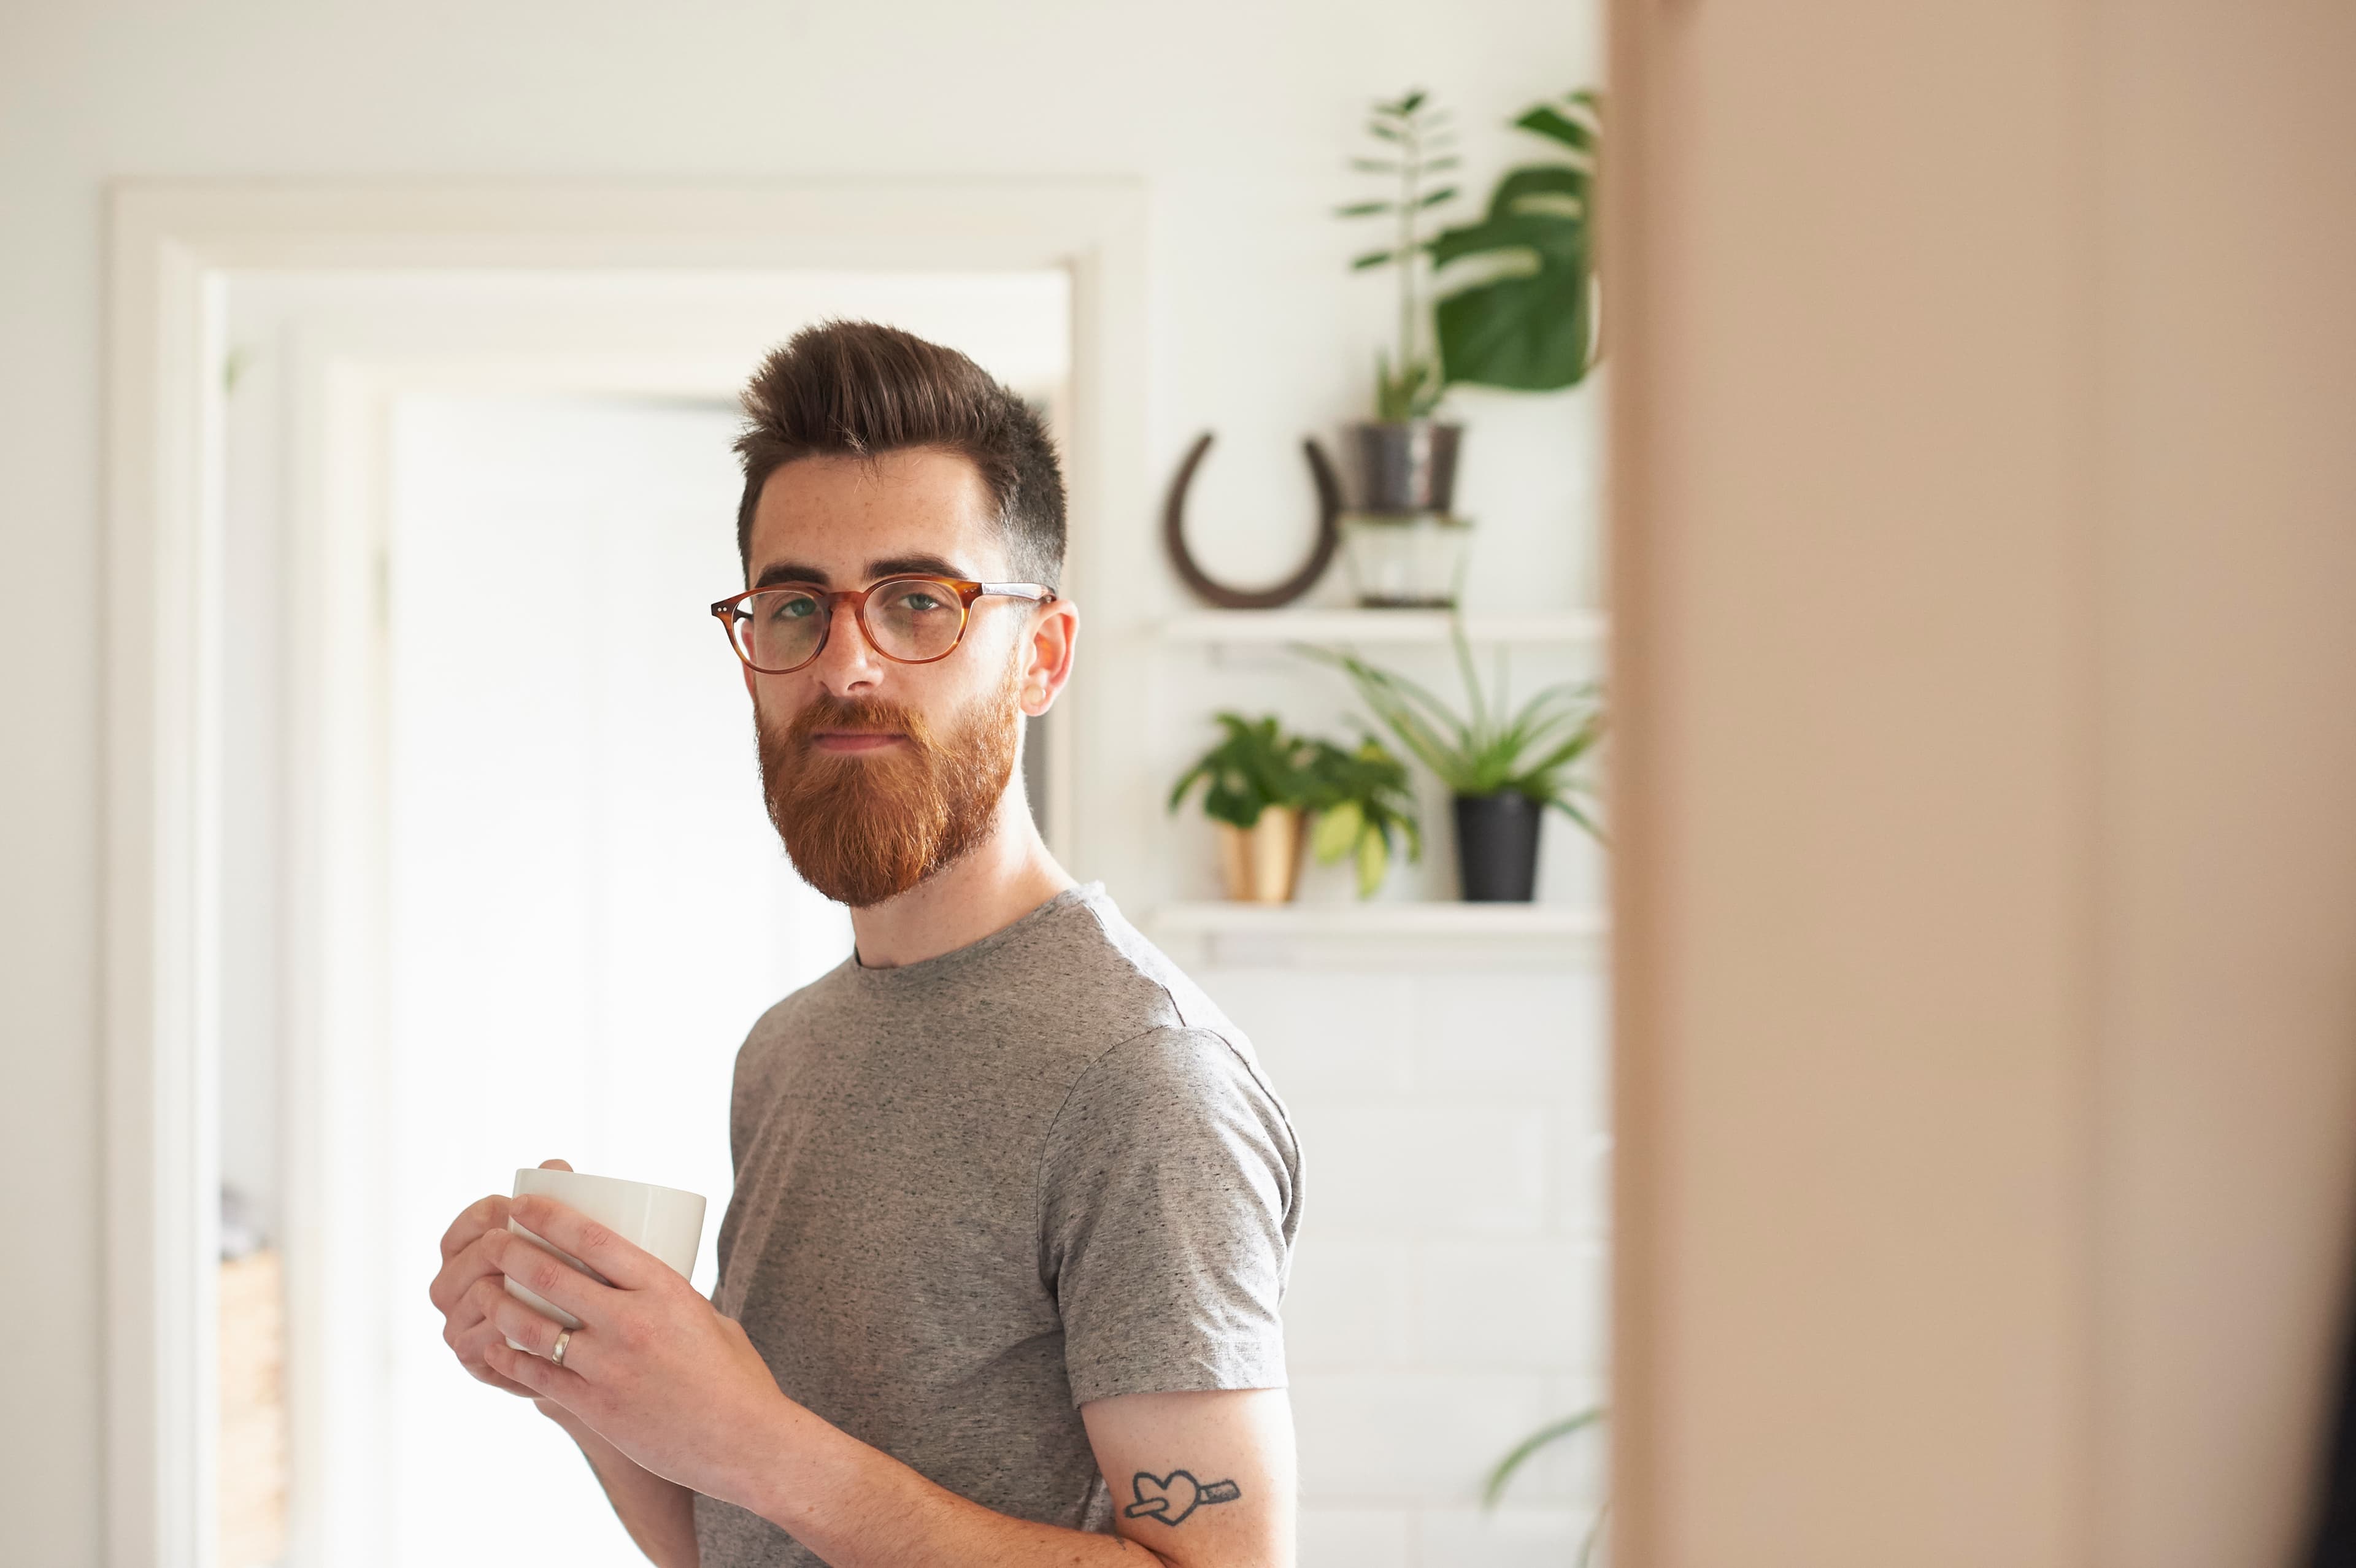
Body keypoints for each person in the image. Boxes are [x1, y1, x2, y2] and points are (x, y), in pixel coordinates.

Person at [425, 320, 1304, 1568]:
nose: (845, 665)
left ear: (1040, 655)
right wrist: (586, 1375)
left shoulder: (1144, 1079)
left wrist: (753, 1440)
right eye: (796, 606)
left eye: (916, 603)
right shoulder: (787, 1053)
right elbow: (742, 1536)